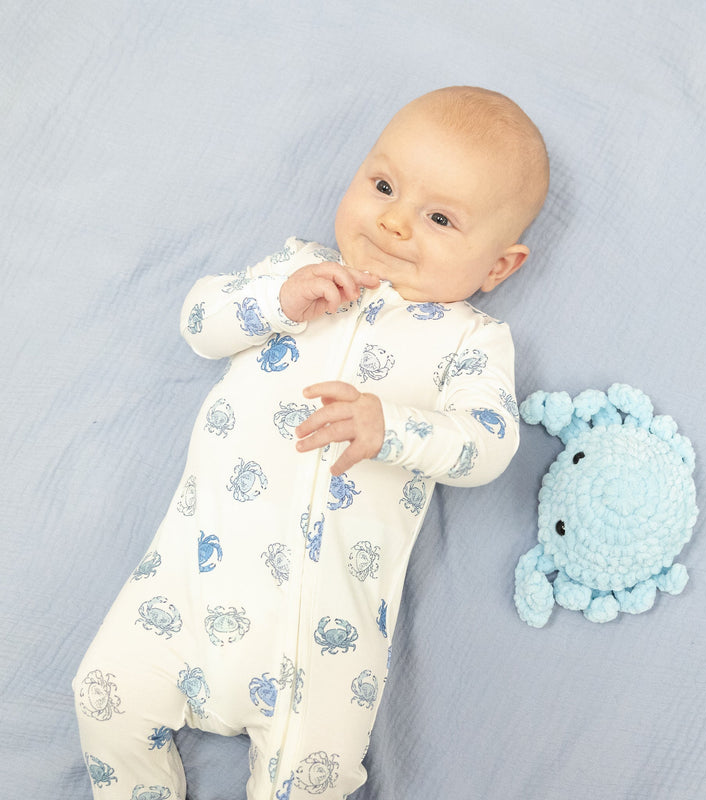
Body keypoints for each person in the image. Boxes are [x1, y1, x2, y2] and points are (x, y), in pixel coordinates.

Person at [73, 85, 549, 799]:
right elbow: (201, 322)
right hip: (187, 589)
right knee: (101, 694)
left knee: (309, 781)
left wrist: (394, 428)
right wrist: (276, 301)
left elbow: (489, 446)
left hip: (326, 641)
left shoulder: (470, 342)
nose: (391, 222)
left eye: (440, 217)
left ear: (498, 267)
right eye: (383, 185)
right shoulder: (298, 272)